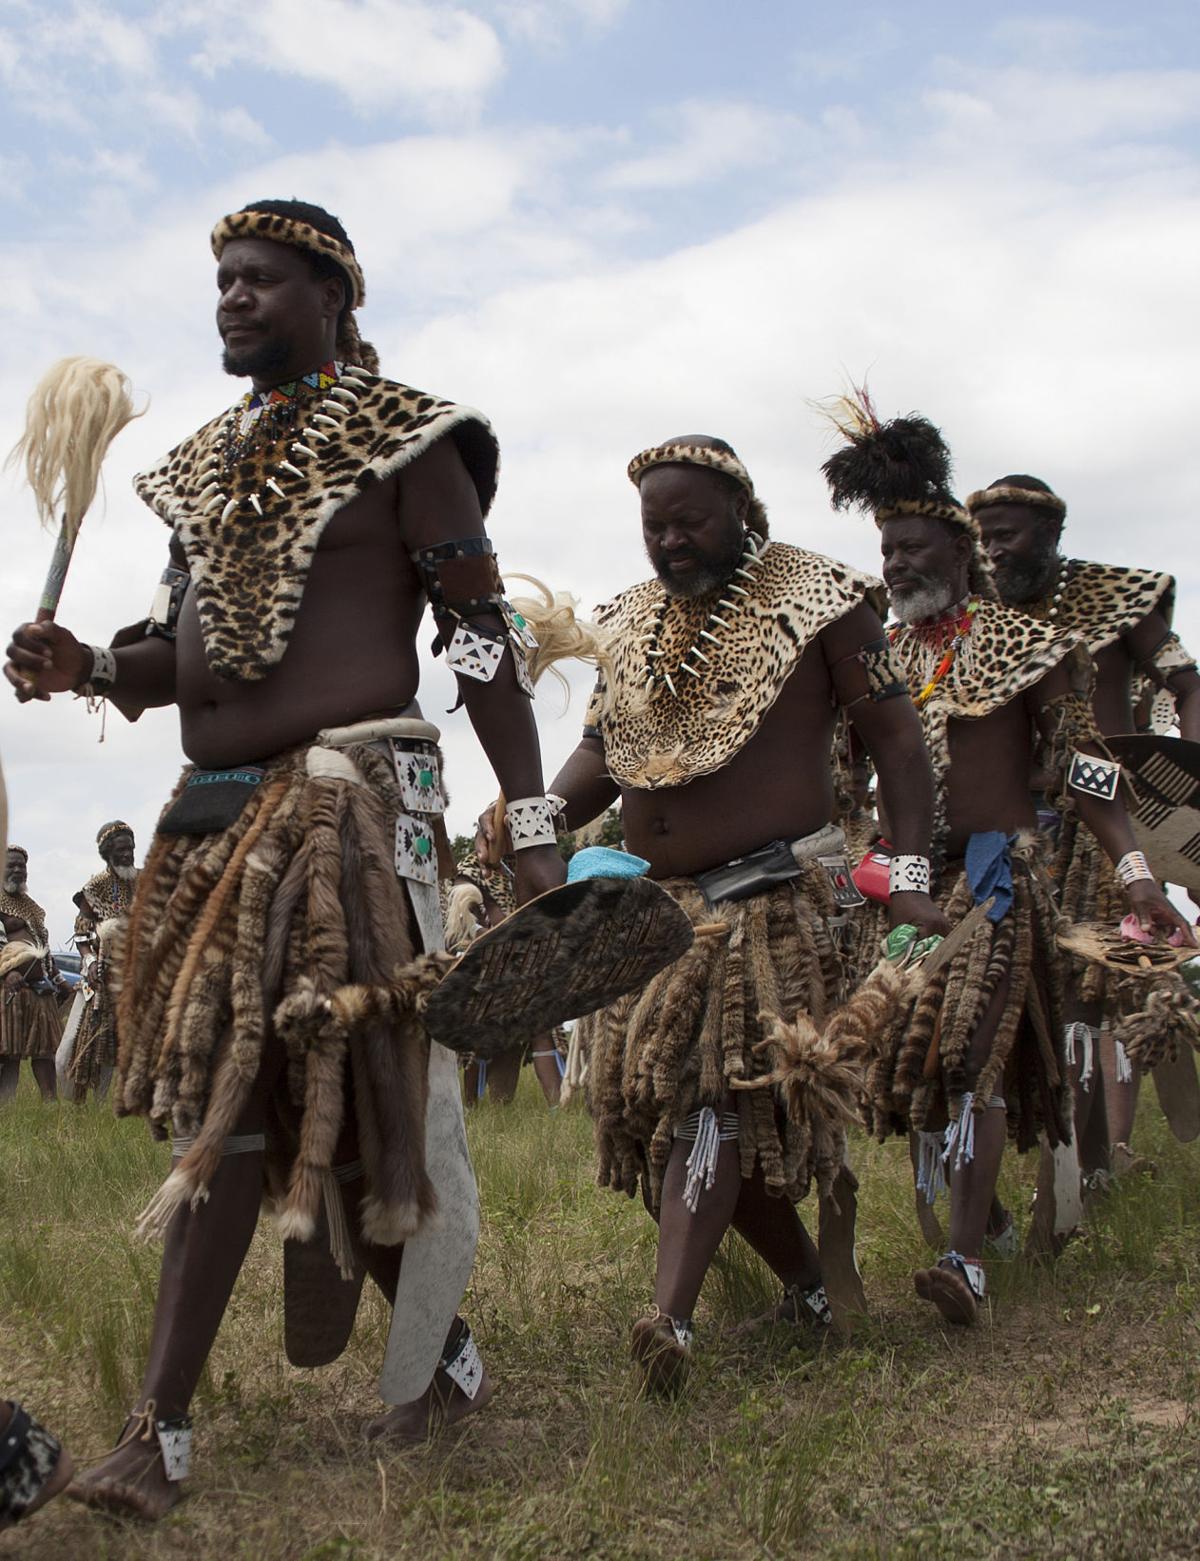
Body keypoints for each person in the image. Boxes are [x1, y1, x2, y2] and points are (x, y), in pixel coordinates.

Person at [4, 198, 564, 1519]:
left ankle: (164, 1431)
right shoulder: (199, 470)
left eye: (258, 279)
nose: (233, 301)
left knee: (295, 1105)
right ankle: (438, 1365)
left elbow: (481, 641)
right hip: (210, 811)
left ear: (331, 290)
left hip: (348, 800)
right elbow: (170, 659)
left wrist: (531, 821)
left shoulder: (408, 438)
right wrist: (87, 663)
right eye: (221, 284)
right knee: (266, 1107)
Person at [508, 433, 943, 1393]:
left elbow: (900, 742)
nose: (669, 540)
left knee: (715, 1101)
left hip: (766, 905)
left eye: (689, 520)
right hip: (652, 911)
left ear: (740, 510)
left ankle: (670, 1319)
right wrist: (527, 818)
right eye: (653, 524)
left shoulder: (823, 600)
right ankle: (810, 1286)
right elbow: (599, 760)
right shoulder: (629, 621)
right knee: (657, 1112)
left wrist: (908, 869)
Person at [821, 397, 1194, 1326]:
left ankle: (963, 1258)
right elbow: (841, 783)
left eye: (914, 548)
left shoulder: (1026, 647)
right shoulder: (877, 657)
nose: (897, 563)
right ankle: (975, 1221)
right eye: (888, 550)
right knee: (909, 1064)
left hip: (995, 883)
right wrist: (855, 861)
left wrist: (1140, 877)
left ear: (962, 557)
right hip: (906, 892)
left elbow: (1083, 770)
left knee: (974, 1052)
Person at [970, 476, 1200, 1176]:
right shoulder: (982, 617)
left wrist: (1185, 781)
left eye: (1005, 534)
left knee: (1106, 983)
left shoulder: (1120, 602)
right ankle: (1079, 1150)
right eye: (983, 538)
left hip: (1113, 814)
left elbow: (1188, 685)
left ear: (1050, 534)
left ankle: (1111, 1150)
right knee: (1045, 986)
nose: (993, 550)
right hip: (1023, 821)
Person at [448, 834, 566, 1106]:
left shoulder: (519, 868)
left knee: (539, 1031)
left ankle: (556, 1107)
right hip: (484, 969)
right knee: (483, 1039)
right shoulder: (470, 873)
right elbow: (461, 927)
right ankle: (470, 1105)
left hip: (523, 967)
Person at [60, 820, 139, 1102]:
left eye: (130, 848)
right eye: (121, 850)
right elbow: (81, 933)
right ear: (107, 853)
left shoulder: (144, 881)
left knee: (125, 1043)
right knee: (82, 1043)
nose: (128, 854)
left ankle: (122, 1103)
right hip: (102, 977)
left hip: (135, 975)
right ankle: (87, 1102)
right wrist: (91, 962)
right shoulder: (95, 887)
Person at [0, 845, 64, 1103]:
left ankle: (51, 1105)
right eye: (11, 865)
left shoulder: (33, 908)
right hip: (9, 988)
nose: (17, 870)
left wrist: (59, 981)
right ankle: (5, 1107)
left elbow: (43, 948)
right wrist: (6, 973)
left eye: (21, 866)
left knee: (45, 1050)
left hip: (39, 987)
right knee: (8, 1051)